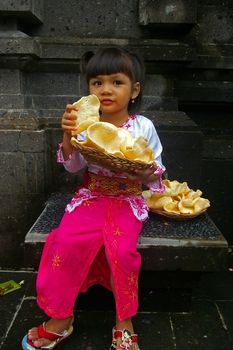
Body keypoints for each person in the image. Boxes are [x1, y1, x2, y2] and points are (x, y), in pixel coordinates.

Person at [22, 47, 165, 350]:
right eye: (97, 83)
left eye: (117, 82)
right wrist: (67, 134)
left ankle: (124, 320)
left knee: (122, 251)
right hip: (92, 196)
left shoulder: (143, 127)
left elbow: (154, 173)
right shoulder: (86, 125)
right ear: (89, 89)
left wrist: (140, 170)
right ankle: (61, 318)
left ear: (134, 89)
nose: (106, 90)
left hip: (127, 200)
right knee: (66, 242)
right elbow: (74, 166)